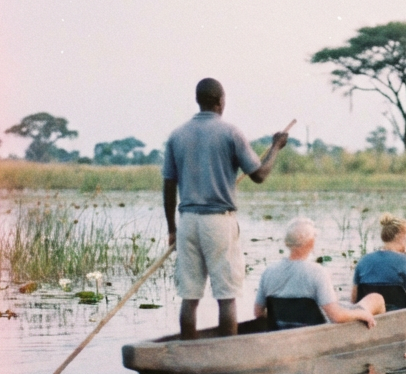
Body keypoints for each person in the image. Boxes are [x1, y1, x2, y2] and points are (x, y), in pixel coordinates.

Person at [163, 78, 289, 338]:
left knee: (189, 296)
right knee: (227, 295)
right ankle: (228, 351)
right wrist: (276, 147)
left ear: (198, 101)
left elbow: (168, 186)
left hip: (187, 221)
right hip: (218, 222)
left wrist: (172, 230)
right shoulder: (230, 132)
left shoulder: (177, 135)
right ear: (221, 102)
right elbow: (260, 174)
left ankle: (188, 351)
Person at [254, 217, 385, 328]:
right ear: (311, 242)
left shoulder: (269, 271)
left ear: (287, 242)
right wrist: (362, 314)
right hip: (318, 334)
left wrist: (287, 323)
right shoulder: (317, 272)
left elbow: (258, 312)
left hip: (287, 331)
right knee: (376, 299)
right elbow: (337, 316)